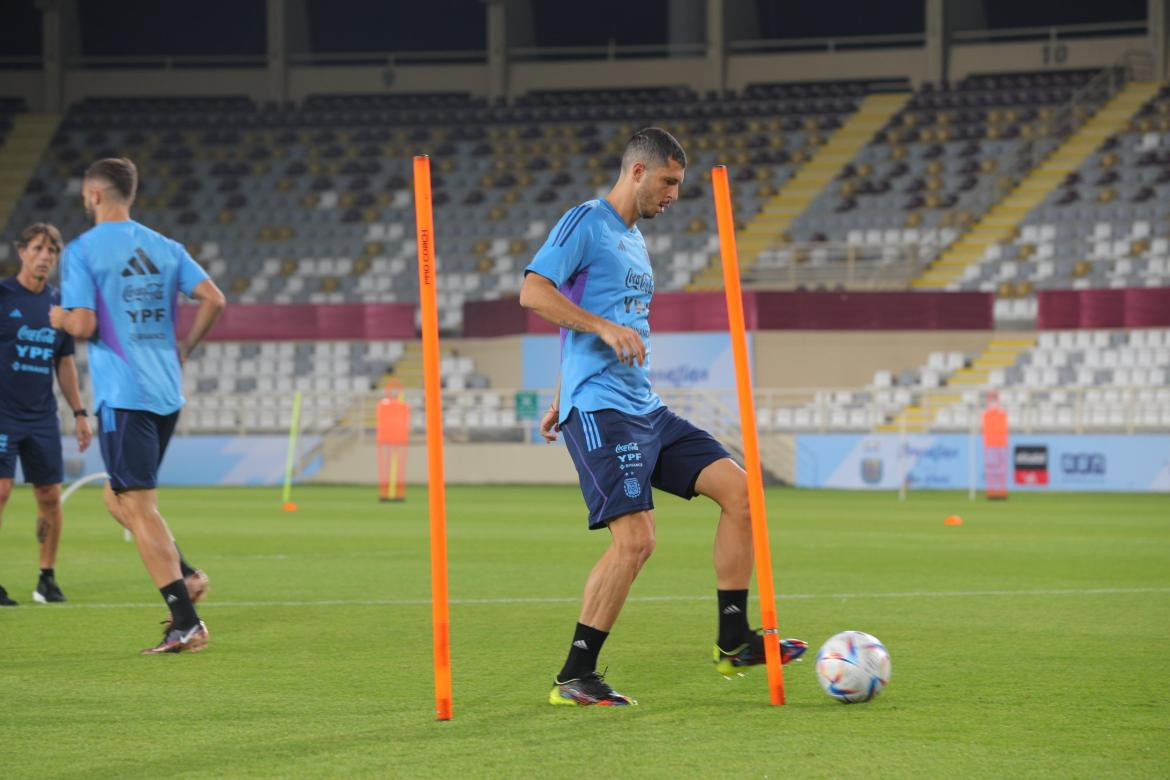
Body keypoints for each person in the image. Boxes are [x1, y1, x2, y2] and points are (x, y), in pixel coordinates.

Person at [519, 128, 807, 707]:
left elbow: (589, 309)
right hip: (602, 410)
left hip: (645, 407)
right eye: (669, 182)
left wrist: (557, 387)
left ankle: (734, 641)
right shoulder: (586, 222)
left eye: (680, 183)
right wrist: (596, 342)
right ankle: (576, 675)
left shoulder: (634, 241)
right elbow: (534, 292)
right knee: (637, 540)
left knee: (743, 493)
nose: (675, 194)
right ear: (637, 172)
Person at [50, 157, 225, 654]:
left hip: (125, 394)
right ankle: (185, 574)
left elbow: (83, 325)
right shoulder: (166, 247)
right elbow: (214, 298)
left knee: (139, 505)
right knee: (116, 497)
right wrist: (186, 347)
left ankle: (185, 620)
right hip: (166, 392)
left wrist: (60, 316)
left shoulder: (84, 250)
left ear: (94, 194)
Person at [0, 223, 93, 606]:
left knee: (50, 496)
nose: (44, 257)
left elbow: (65, 363)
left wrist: (80, 412)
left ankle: (47, 579)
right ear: (22, 251)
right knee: (1, 491)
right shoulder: (3, 295)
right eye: (37, 248)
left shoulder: (61, 305)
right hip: (2, 414)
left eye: (51, 251)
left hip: (41, 418)